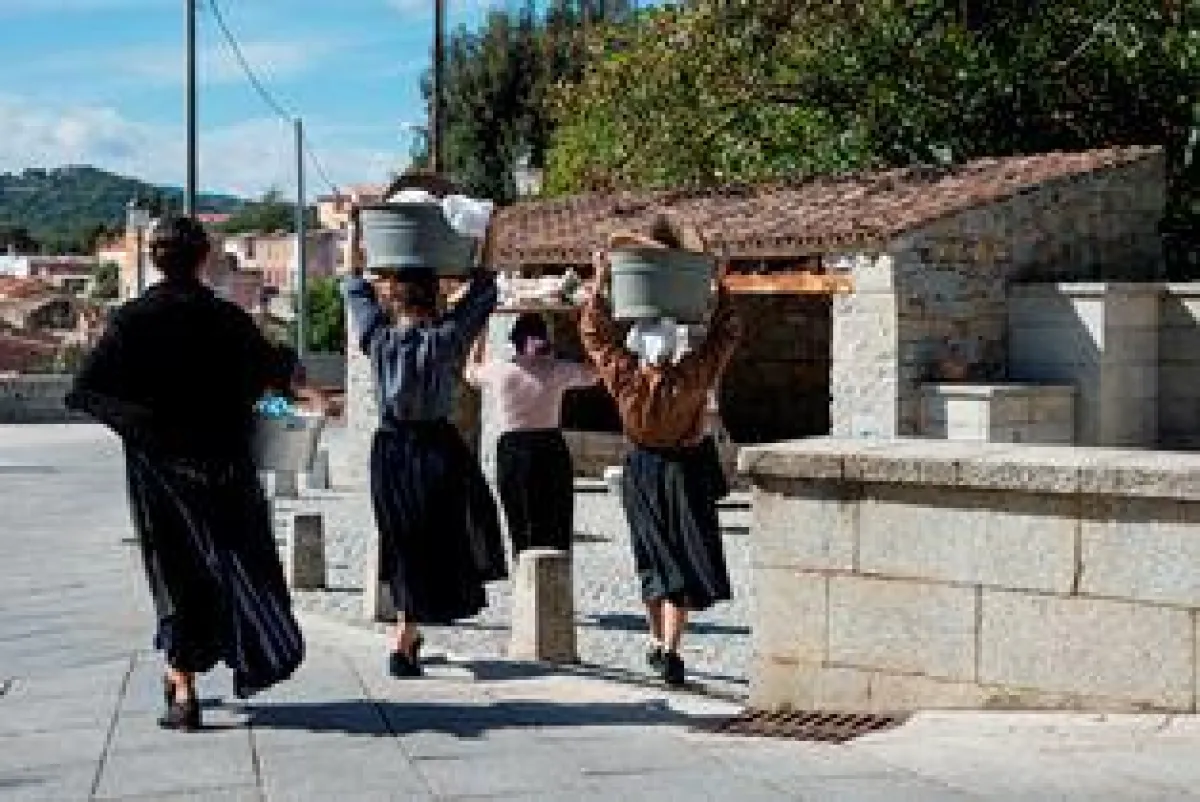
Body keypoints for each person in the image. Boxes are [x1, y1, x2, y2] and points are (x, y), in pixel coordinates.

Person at [66, 215, 304, 731]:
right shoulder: (227, 319)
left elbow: (86, 390)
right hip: (226, 470)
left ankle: (183, 686)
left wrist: (147, 430)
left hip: (161, 475)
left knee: (174, 569)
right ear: (203, 258)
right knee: (235, 565)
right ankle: (245, 650)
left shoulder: (132, 321)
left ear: (154, 260)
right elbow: (277, 371)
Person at [579, 220, 742, 687]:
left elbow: (593, 332)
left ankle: (657, 643)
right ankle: (667, 647)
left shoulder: (625, 379)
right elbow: (726, 332)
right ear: (673, 349)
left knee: (652, 557)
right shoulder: (693, 375)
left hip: (642, 471)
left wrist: (603, 280)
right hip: (686, 470)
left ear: (639, 349)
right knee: (682, 562)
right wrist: (718, 281)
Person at [343, 212, 505, 679]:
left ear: (393, 297)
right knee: (446, 532)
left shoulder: (378, 338)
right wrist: (485, 233)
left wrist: (358, 233)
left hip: (390, 449)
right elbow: (485, 289)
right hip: (436, 447)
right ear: (435, 296)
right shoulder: (448, 338)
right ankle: (406, 634)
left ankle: (406, 633)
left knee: (402, 539)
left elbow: (353, 283)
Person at [465, 312, 598, 559]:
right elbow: (594, 372)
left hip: (513, 449)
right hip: (549, 446)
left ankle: (526, 586)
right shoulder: (556, 369)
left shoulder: (500, 370)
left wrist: (480, 330)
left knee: (521, 529)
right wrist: (586, 329)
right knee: (556, 527)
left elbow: (470, 371)